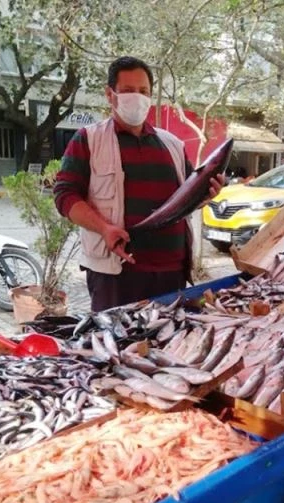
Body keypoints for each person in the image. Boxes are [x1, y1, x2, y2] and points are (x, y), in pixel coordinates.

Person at [54, 56, 223, 312]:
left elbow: (189, 197)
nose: (138, 97)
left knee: (169, 344)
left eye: (144, 91)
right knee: (116, 346)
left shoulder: (173, 145)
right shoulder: (88, 139)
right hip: (116, 275)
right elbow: (64, 195)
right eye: (128, 91)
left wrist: (207, 194)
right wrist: (104, 228)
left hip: (172, 273)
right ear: (110, 95)